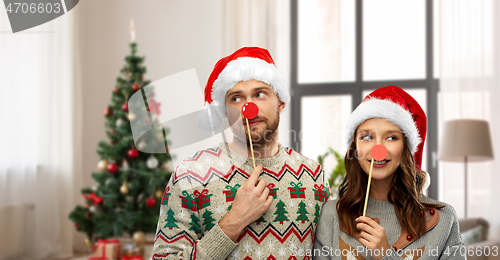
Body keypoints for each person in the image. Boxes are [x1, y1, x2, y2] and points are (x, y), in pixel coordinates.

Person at [152, 47, 330, 260]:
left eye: (260, 94)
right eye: (236, 98)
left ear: (280, 102)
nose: (249, 108)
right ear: (224, 111)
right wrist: (234, 221)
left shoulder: (313, 175)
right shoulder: (190, 174)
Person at [313, 86, 465, 260]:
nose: (379, 149)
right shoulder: (331, 215)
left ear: (406, 149)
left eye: (392, 137)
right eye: (367, 137)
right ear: (356, 147)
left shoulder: (444, 219)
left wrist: (385, 254)